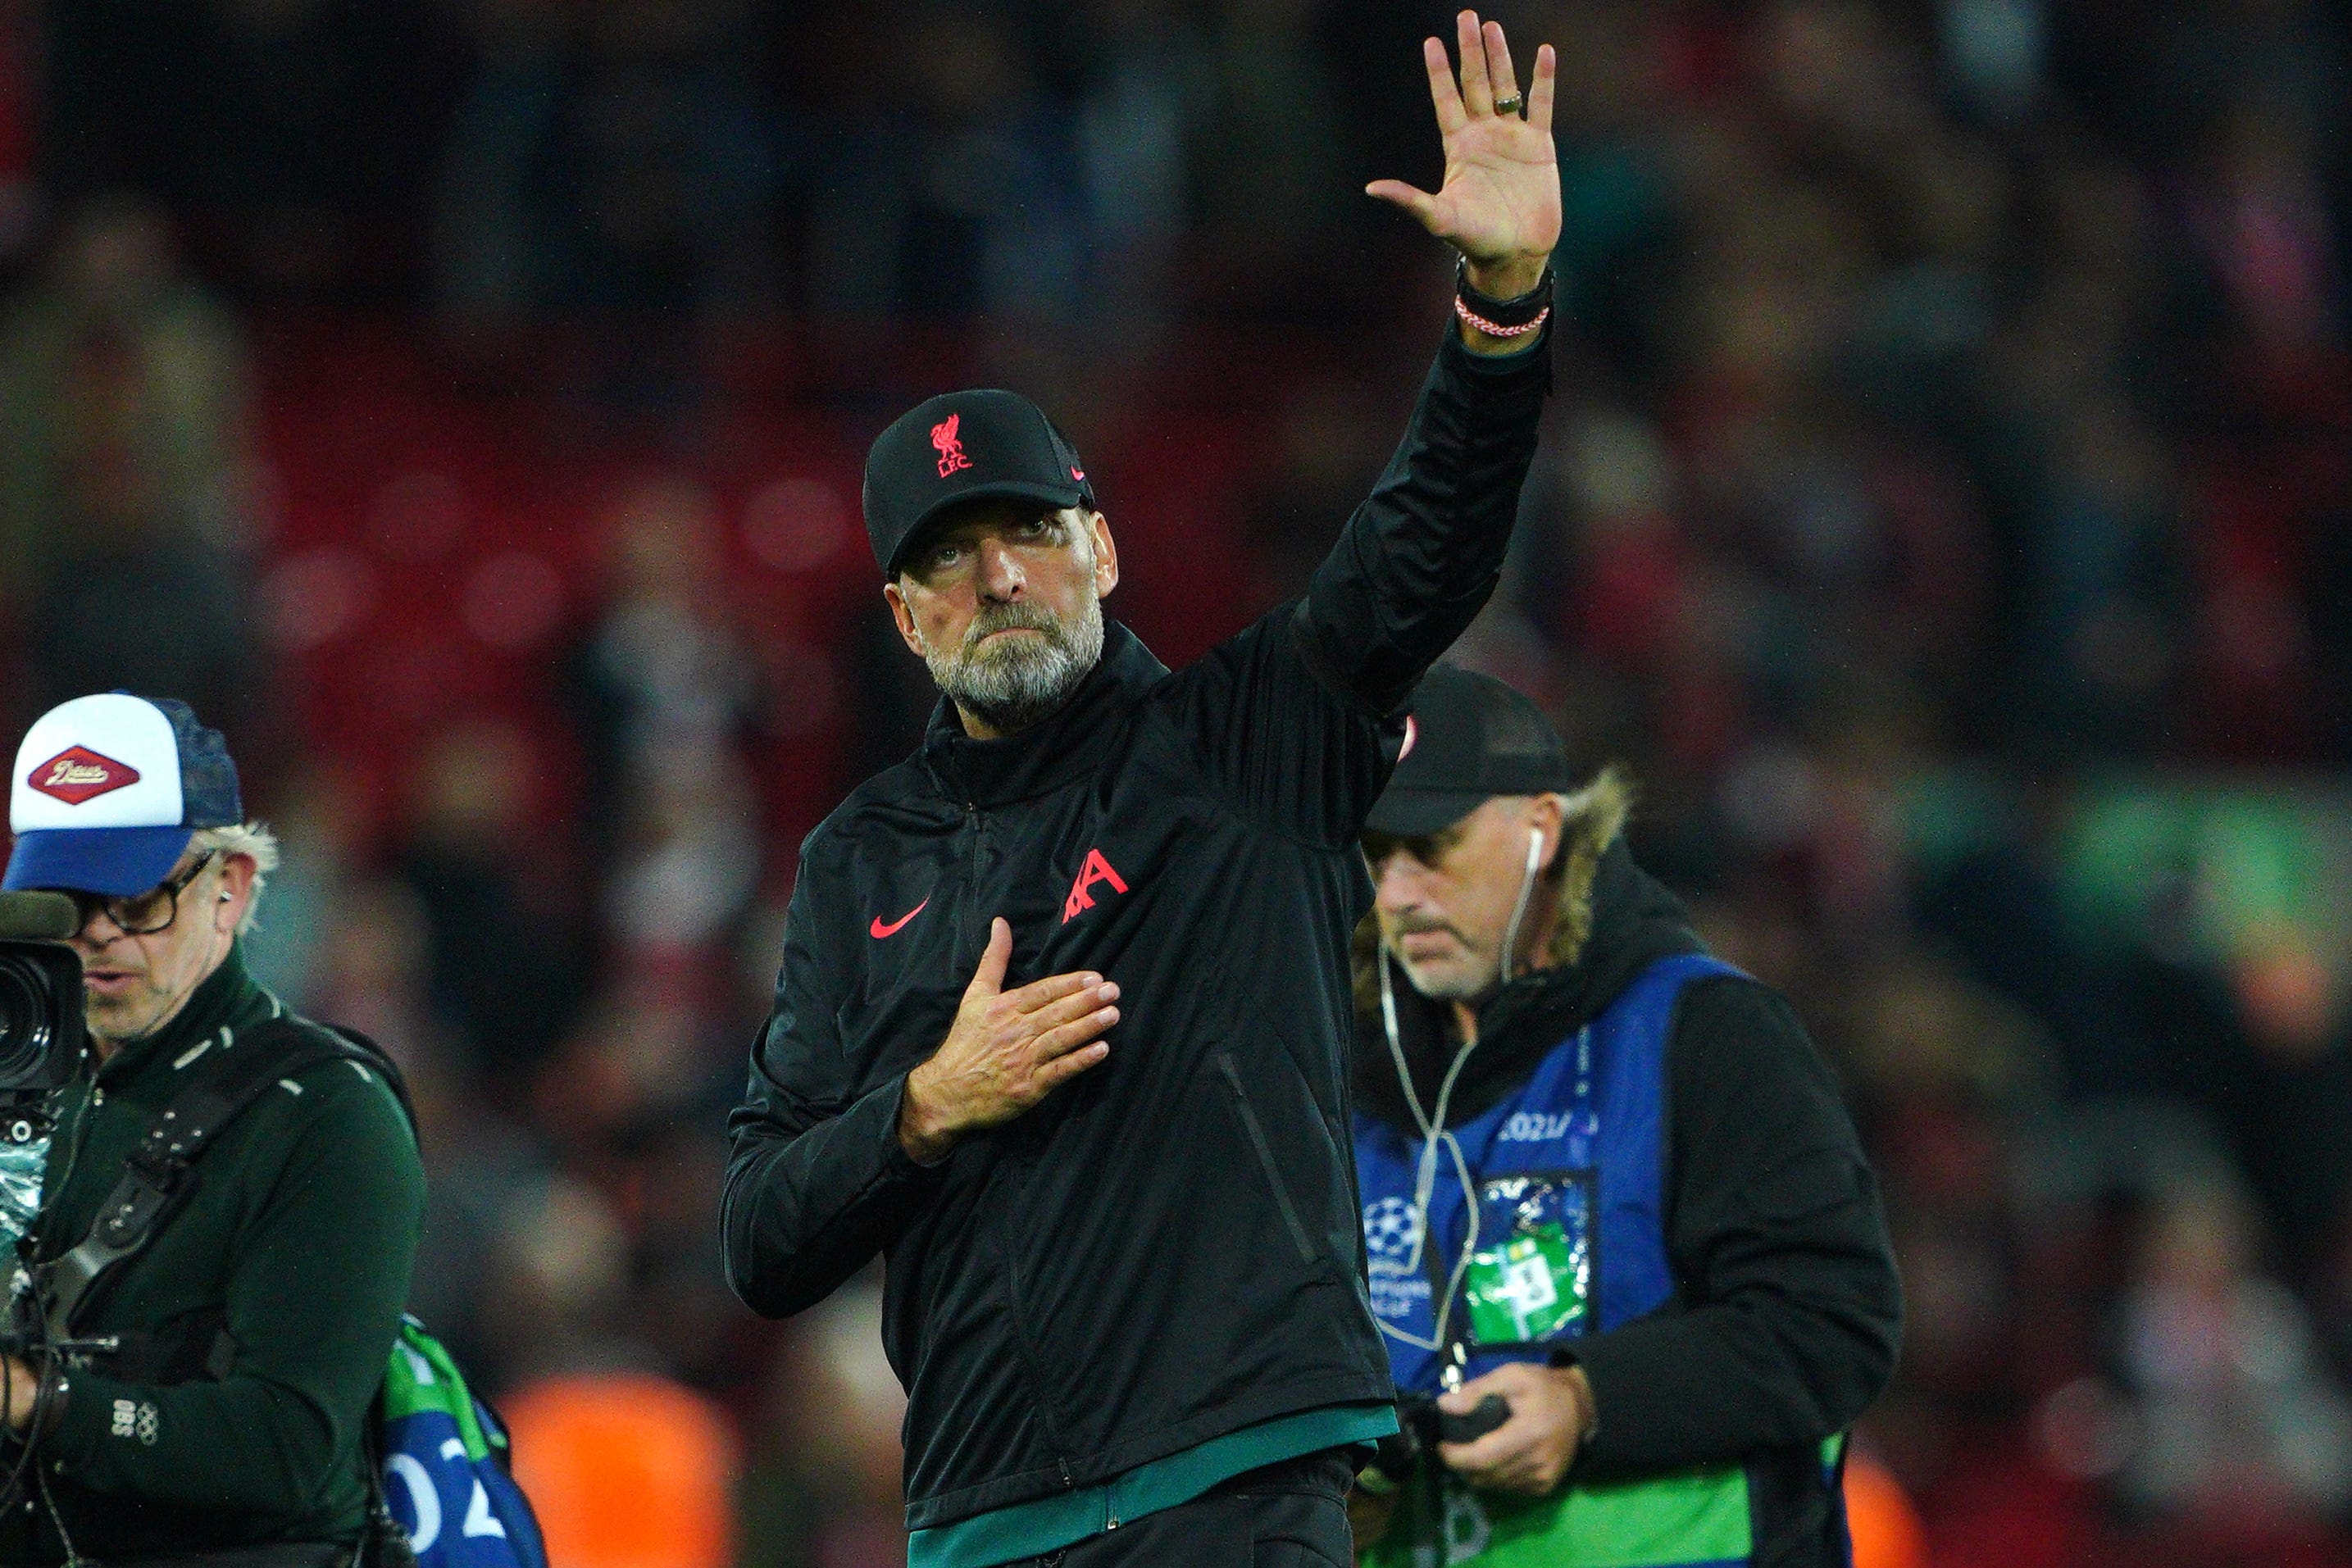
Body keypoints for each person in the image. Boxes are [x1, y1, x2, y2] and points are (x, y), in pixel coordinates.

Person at [722, 14, 1562, 1564]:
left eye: (1028, 530)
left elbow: (1425, 542)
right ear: (903, 620)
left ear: (1100, 548)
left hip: (1238, 1477)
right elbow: (759, 1233)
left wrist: (1497, 309)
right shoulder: (859, 860)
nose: (995, 573)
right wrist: (920, 1108)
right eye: (942, 558)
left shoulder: (1241, 740)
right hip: (982, 1515)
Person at [1347, 664, 1903, 1566]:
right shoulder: (1341, 1071)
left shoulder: (1705, 1033)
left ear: (1542, 829)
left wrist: (1589, 1400)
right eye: (1376, 853)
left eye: (1432, 845)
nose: (1400, 892)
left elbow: (1834, 1321)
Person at [0, 691, 426, 1564]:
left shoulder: (327, 1114)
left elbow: (286, 1446)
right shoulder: (20, 1087)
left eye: (138, 898)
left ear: (228, 889)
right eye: (62, 902)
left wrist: (35, 1400)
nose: (97, 936)